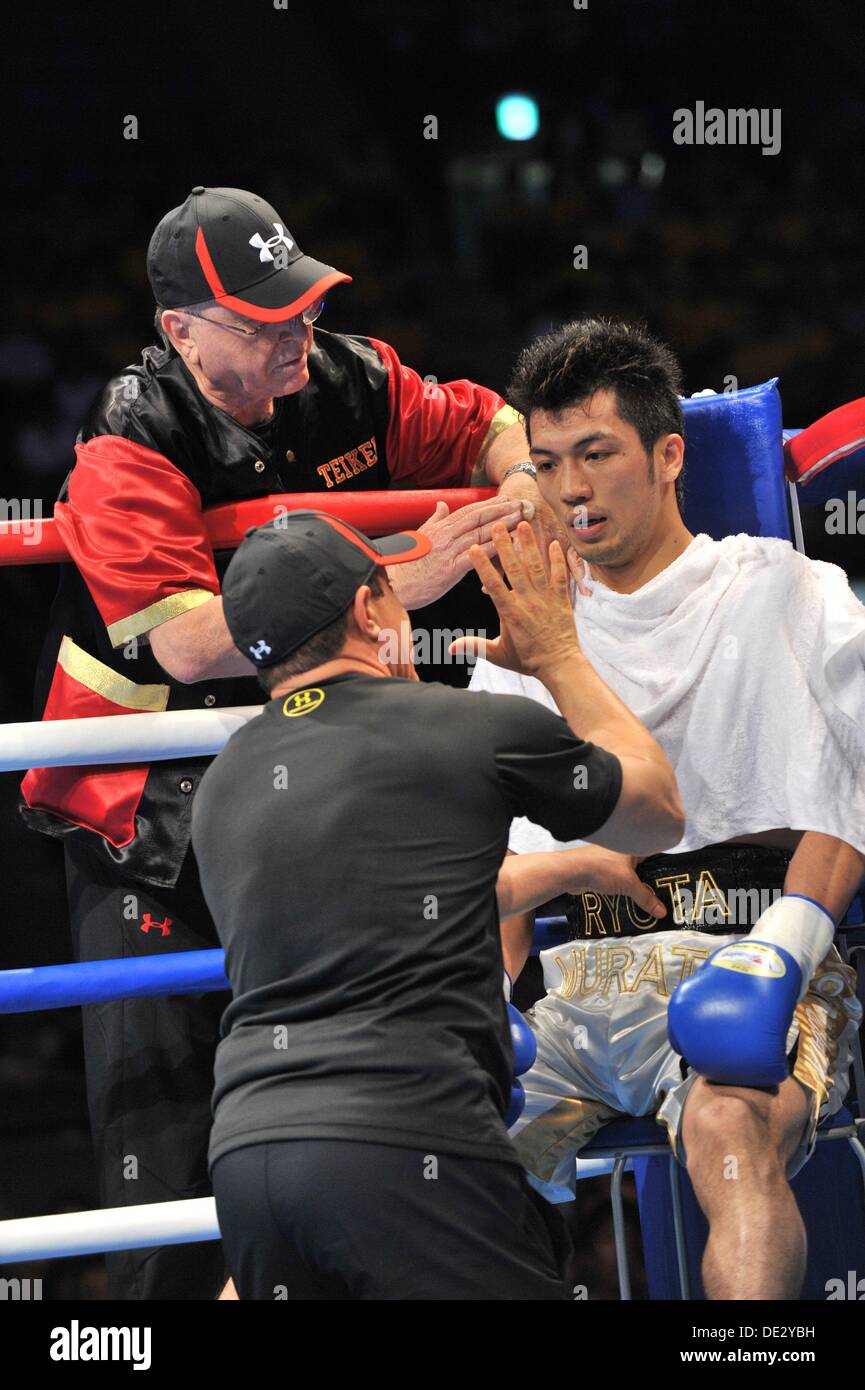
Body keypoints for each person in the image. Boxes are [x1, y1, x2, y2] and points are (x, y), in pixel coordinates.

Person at [18, 184, 554, 1301]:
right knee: (162, 1197)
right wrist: (401, 573)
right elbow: (198, 643)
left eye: (300, 303)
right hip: (144, 824)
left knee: (355, 1132)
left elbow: (480, 415)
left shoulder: (345, 374)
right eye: (262, 322)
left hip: (308, 814)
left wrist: (519, 479)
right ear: (181, 333)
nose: (294, 332)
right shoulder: (127, 440)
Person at [460, 317, 865, 1300]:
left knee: (728, 1129)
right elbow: (483, 873)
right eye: (547, 462)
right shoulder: (522, 641)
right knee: (412, 1152)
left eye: (595, 454)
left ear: (668, 453)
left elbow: (854, 782)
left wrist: (786, 946)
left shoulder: (780, 590)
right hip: (573, 983)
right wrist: (478, 1021)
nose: (568, 489)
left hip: (751, 951)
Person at [192, 508, 684, 1300]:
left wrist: (566, 868)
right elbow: (657, 809)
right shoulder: (471, 727)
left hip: (249, 1156)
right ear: (367, 613)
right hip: (407, 1144)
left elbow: (391, 899)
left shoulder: (225, 782)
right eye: (393, 595)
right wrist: (558, 658)